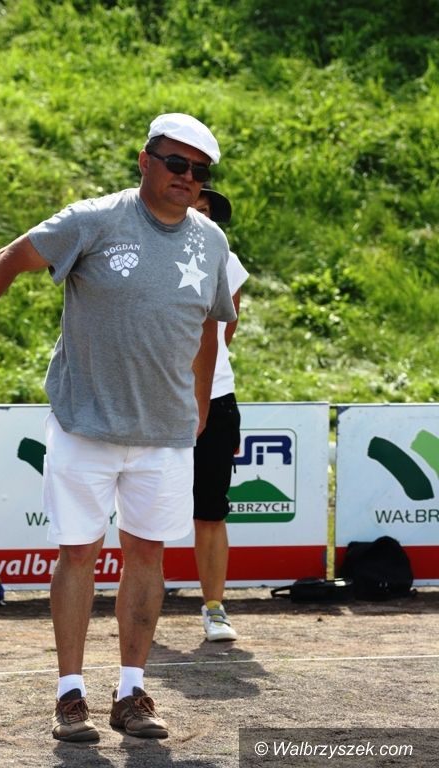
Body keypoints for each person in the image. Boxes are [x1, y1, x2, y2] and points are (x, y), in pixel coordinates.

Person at [0, 113, 236, 742]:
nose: (187, 178)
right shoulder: (94, 219)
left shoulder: (211, 240)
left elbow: (210, 326)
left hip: (165, 433)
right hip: (84, 423)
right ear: (145, 161)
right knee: (78, 554)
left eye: (199, 171)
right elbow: (10, 258)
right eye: (176, 163)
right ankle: (70, 695)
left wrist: (201, 402)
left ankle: (131, 693)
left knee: (147, 556)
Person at [192, 184, 249, 641]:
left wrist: (201, 384)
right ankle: (140, 602)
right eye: (194, 206)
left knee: (211, 512)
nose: (199, 215)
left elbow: (223, 334)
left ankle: (214, 607)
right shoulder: (142, 251)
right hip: (151, 399)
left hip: (216, 398)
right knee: (141, 513)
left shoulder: (226, 260)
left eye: (207, 210)